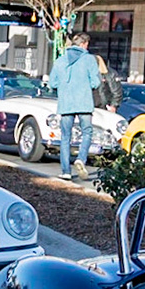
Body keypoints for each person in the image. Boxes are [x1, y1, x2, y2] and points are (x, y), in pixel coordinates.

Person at [47, 31, 99, 180]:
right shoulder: (89, 59)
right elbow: (96, 82)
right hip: (84, 103)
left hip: (66, 104)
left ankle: (65, 171)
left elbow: (53, 83)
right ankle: (81, 158)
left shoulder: (60, 60)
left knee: (65, 137)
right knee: (87, 132)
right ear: (84, 44)